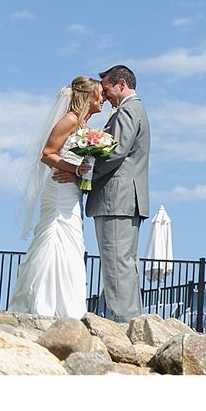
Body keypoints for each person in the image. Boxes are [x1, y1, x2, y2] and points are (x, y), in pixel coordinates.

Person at [9, 77, 103, 319]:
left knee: (71, 242)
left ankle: (67, 305)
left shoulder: (83, 125)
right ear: (88, 97)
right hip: (59, 189)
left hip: (72, 190)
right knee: (56, 237)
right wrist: (74, 170)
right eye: (99, 94)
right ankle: (45, 304)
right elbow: (47, 153)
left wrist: (82, 171)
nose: (102, 99)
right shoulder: (70, 120)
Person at [82, 64, 151, 322]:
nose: (105, 94)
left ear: (121, 84)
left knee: (116, 265)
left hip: (116, 200)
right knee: (124, 264)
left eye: (108, 88)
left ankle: (123, 324)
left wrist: (85, 172)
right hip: (126, 200)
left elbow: (116, 151)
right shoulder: (134, 110)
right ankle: (131, 322)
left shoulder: (128, 111)